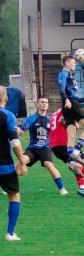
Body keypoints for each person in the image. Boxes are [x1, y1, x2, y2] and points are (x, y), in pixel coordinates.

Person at [15, 98, 68, 195]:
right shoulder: (31, 118)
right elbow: (21, 127)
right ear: (37, 105)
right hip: (32, 149)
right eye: (42, 102)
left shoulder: (51, 120)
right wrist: (18, 130)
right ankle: (9, 187)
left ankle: (62, 189)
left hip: (45, 148)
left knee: (49, 165)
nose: (44, 104)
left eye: (46, 102)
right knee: (19, 163)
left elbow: (60, 129)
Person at [57, 55, 84, 169]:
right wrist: (66, 100)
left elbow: (74, 97)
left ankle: (72, 162)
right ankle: (76, 152)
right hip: (70, 103)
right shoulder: (64, 74)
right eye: (73, 62)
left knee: (72, 135)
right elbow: (61, 88)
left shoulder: (69, 75)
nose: (75, 64)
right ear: (67, 63)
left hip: (69, 104)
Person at [0, 86, 27, 241]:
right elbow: (14, 142)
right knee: (14, 196)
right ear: (6, 98)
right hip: (5, 166)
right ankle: (10, 233)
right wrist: (22, 163)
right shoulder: (8, 116)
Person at [50, 108, 84, 198]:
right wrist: (75, 124)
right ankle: (82, 188)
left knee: (79, 165)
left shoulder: (55, 112)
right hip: (64, 144)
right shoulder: (68, 108)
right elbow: (62, 120)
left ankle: (81, 188)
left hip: (55, 145)